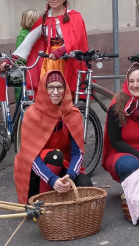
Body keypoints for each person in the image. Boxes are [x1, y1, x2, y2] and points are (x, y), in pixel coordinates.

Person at [13, 71, 93, 204]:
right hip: (35, 172)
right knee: (55, 156)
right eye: (50, 87)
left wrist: (70, 177)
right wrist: (52, 180)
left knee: (86, 185)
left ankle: (59, 202)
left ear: (65, 89)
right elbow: (30, 156)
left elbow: (77, 152)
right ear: (44, 89)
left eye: (59, 87)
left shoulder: (73, 114)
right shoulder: (32, 114)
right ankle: (44, 203)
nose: (55, 92)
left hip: (62, 166)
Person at [13, 0, 88, 93]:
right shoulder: (45, 18)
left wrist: (60, 51)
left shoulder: (75, 17)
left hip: (68, 61)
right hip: (49, 62)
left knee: (66, 95)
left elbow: (76, 40)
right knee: (48, 95)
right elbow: (29, 40)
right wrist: (13, 59)